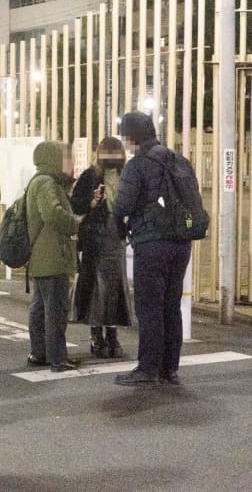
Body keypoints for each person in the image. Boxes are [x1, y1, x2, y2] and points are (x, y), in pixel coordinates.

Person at [113, 112, 191, 387]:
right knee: (171, 306)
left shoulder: (138, 165)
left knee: (149, 307)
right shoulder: (178, 159)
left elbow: (121, 206)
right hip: (181, 244)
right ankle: (169, 368)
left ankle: (147, 368)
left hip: (151, 243)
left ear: (132, 137)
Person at [70, 137, 132, 358]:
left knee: (115, 289)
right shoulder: (90, 176)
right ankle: (96, 335)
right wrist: (92, 202)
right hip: (95, 243)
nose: (112, 158)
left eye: (116, 153)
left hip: (117, 240)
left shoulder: (126, 176)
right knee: (97, 290)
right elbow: (75, 204)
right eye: (108, 153)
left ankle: (112, 334)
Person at [26, 140, 81, 372]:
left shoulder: (39, 181)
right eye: (64, 157)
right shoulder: (47, 182)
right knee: (55, 310)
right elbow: (52, 213)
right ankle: (57, 358)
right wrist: (75, 224)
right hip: (52, 256)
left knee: (40, 308)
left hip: (42, 256)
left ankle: (40, 353)